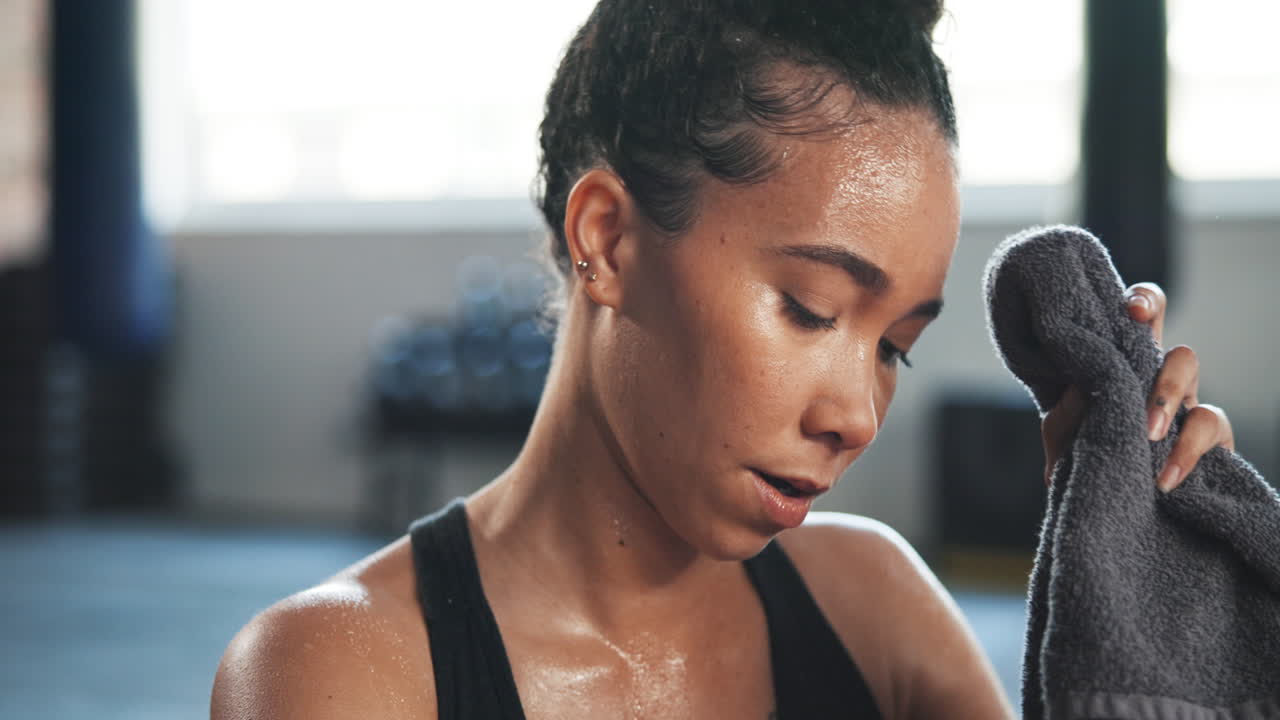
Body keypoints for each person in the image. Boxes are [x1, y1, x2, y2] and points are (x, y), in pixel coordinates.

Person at [210, 1, 1237, 718]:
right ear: (608, 240)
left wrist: (1117, 596)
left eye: (893, 351)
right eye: (806, 308)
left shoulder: (872, 601)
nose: (857, 417)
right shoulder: (340, 669)